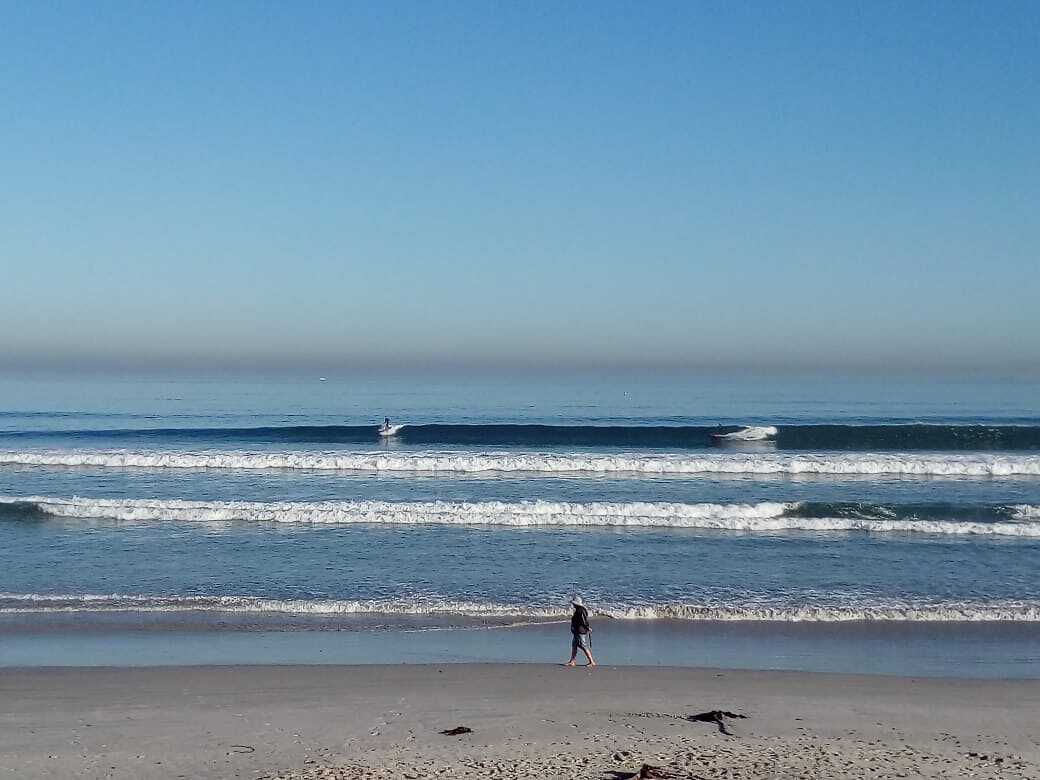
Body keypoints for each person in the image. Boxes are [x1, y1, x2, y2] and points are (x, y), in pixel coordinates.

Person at [566, 595, 596, 667]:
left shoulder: (581, 610)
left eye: (573, 603)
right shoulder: (579, 609)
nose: (572, 604)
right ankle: (572, 661)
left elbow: (583, 621)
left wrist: (587, 627)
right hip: (577, 631)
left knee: (583, 645)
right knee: (574, 645)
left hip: (580, 631)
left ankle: (592, 661)